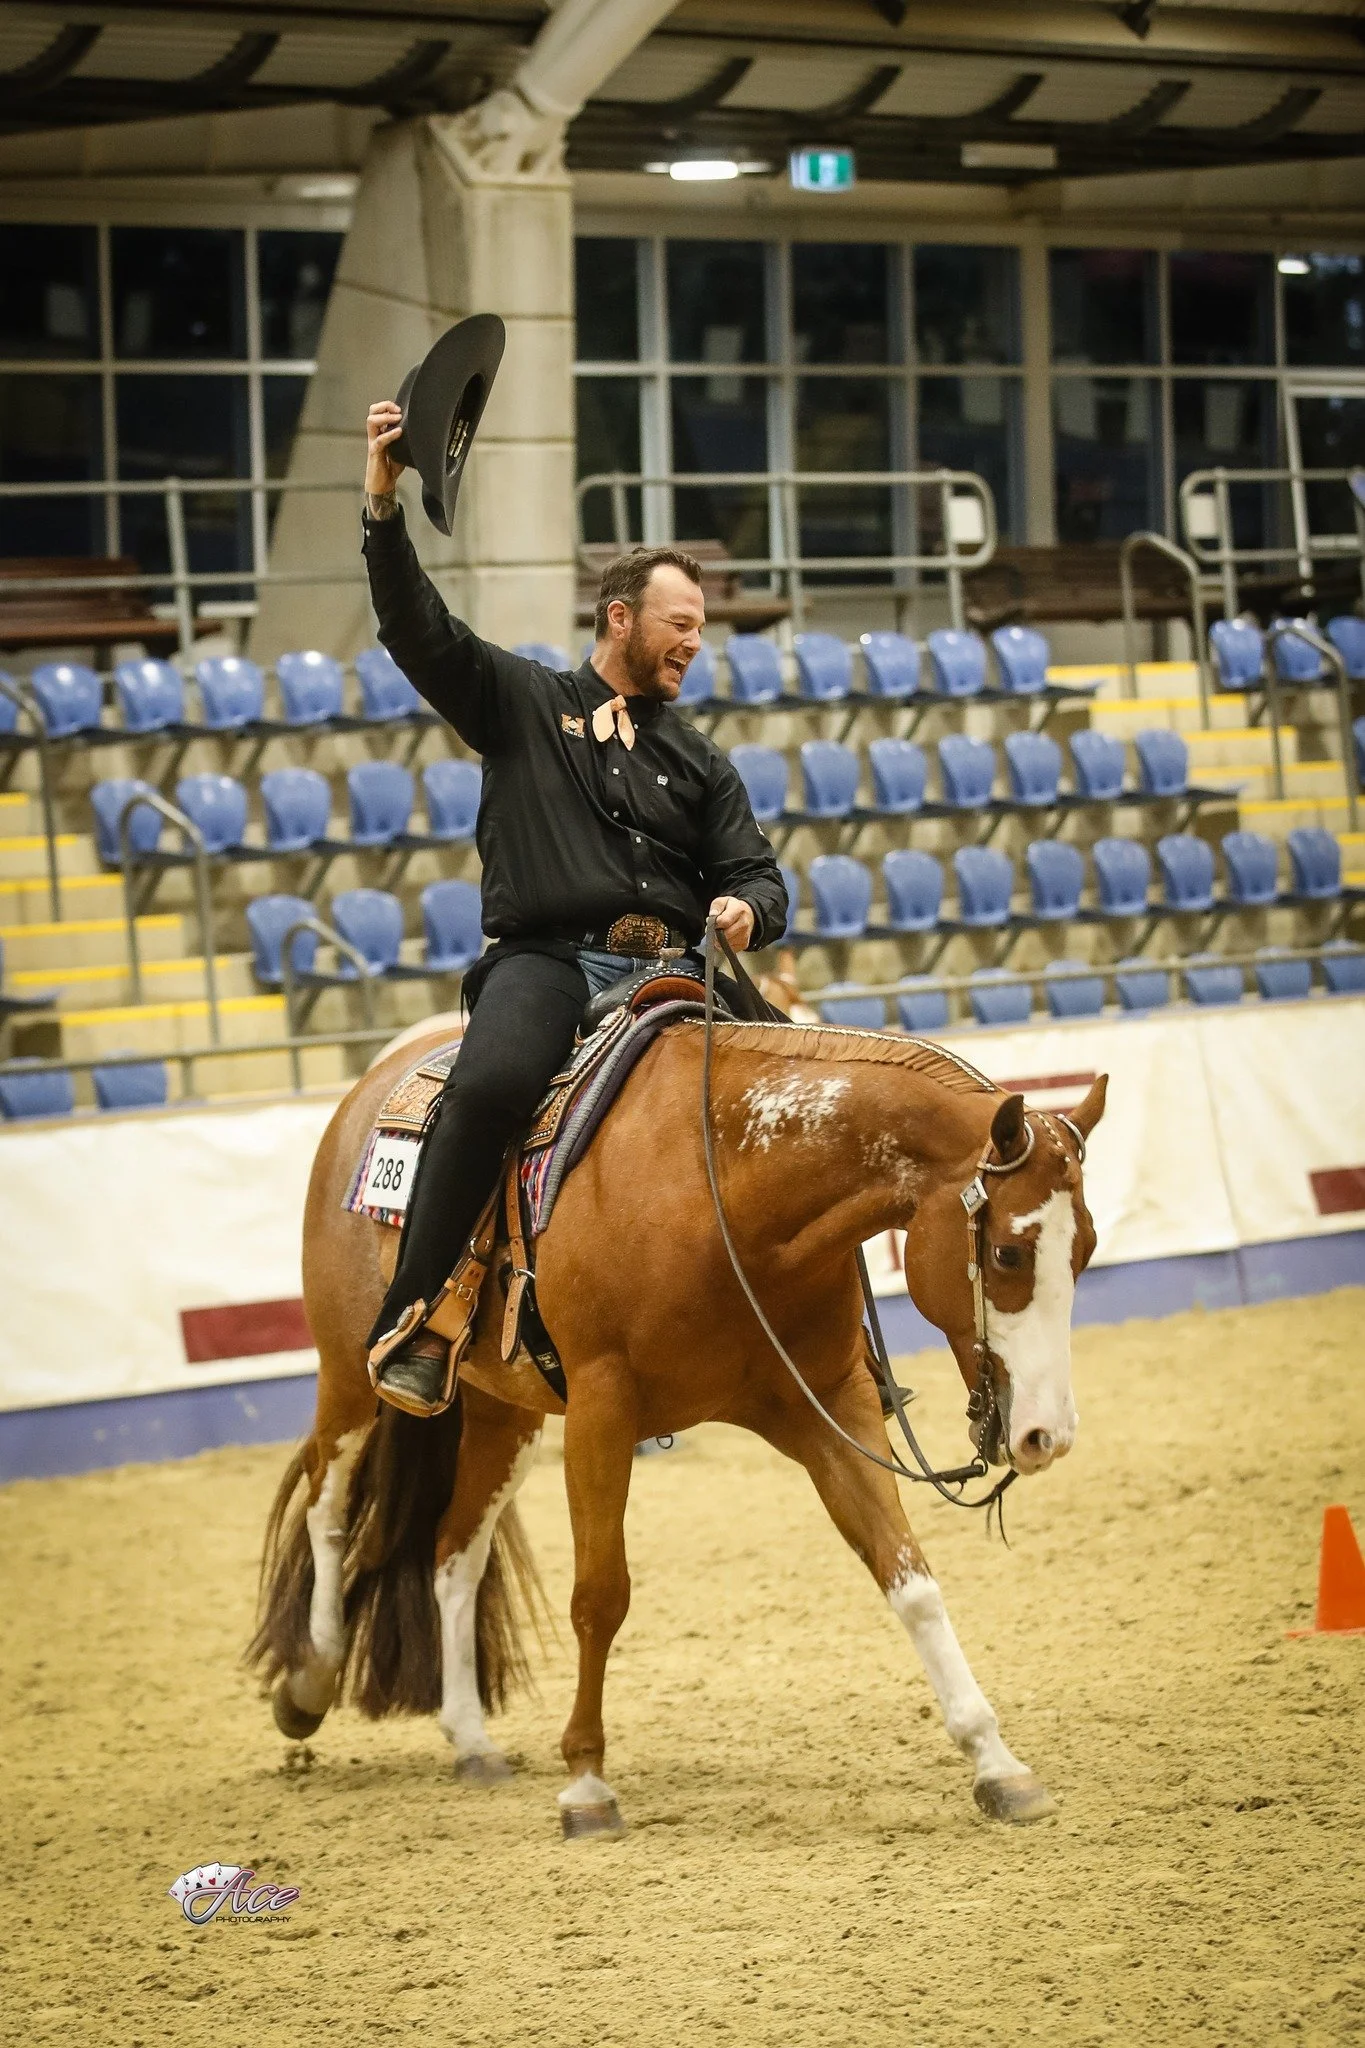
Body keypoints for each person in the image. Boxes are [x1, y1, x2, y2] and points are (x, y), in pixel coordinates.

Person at [359, 398, 789, 1415]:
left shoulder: (700, 759)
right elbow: (413, 625)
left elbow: (762, 875)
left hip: (675, 973)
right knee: (493, 1080)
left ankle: (821, 1334)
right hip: (546, 961)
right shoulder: (518, 700)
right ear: (621, 619)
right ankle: (418, 1315)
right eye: (680, 625)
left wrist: (744, 913)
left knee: (800, 1095)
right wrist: (383, 502)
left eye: (701, 629)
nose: (695, 642)